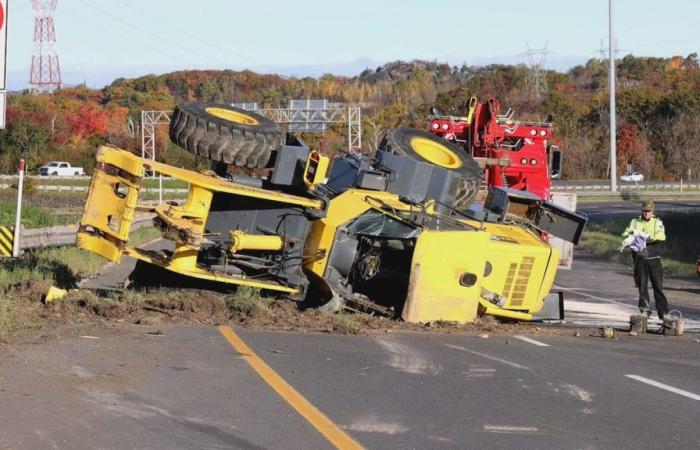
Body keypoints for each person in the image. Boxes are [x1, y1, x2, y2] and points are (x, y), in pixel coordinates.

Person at [621, 200, 669, 319]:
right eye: (644, 211)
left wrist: (648, 238)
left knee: (657, 285)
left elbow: (662, 236)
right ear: (641, 210)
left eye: (648, 211)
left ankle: (663, 311)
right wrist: (632, 234)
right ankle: (645, 310)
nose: (646, 213)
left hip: (653, 258)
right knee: (642, 285)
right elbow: (624, 233)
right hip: (639, 258)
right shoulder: (634, 221)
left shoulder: (657, 222)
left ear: (652, 211)